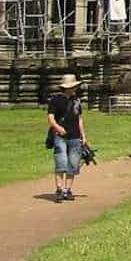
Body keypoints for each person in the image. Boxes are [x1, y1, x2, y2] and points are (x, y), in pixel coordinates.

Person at [46, 73, 88, 202]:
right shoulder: (55, 100)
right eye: (73, 86)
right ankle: (59, 189)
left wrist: (84, 135)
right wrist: (58, 128)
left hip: (75, 136)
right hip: (60, 136)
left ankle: (67, 190)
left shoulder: (76, 101)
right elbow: (50, 118)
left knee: (73, 164)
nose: (75, 89)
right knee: (61, 162)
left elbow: (79, 119)